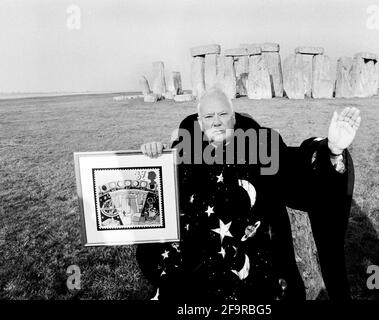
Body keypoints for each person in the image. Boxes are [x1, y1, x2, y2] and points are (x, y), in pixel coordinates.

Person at [137, 88, 361, 301]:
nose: (216, 121)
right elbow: (155, 199)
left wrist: (332, 150)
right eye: (209, 116)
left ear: (233, 118)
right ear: (199, 122)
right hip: (198, 268)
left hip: (253, 271)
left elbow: (297, 170)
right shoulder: (185, 155)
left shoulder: (261, 149)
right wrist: (155, 157)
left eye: (223, 114)